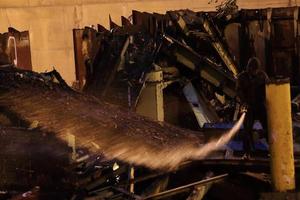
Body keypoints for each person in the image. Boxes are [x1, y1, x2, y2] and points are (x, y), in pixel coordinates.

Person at [236, 57, 268, 159]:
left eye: (255, 69)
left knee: (268, 126)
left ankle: (272, 150)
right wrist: (244, 101)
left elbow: (268, 88)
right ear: (248, 68)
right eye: (252, 69)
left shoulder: (262, 76)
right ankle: (247, 152)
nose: (253, 71)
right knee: (247, 129)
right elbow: (239, 90)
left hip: (260, 105)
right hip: (248, 106)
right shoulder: (242, 77)